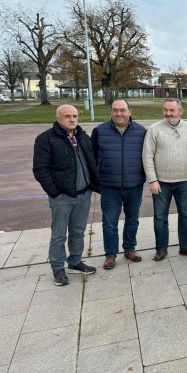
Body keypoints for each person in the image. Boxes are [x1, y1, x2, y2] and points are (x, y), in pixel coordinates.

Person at [33, 104, 100, 286]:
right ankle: (57, 267)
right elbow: (40, 170)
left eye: (75, 116)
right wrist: (55, 192)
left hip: (83, 194)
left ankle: (75, 261)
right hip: (62, 197)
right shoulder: (45, 139)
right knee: (59, 234)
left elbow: (91, 162)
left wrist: (93, 185)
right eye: (67, 116)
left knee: (78, 231)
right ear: (58, 118)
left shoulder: (82, 137)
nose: (72, 119)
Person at [91, 99, 147, 269]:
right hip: (109, 186)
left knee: (132, 219)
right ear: (110, 112)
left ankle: (129, 249)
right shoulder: (99, 131)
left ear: (129, 111)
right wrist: (97, 181)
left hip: (134, 184)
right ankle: (110, 254)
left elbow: (146, 156)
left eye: (122, 110)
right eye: (115, 110)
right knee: (109, 221)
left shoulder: (141, 131)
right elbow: (92, 158)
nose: (119, 113)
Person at [142, 99, 187, 261]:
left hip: (185, 180)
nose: (168, 113)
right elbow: (147, 156)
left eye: (172, 110)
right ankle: (161, 249)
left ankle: (186, 247)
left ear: (180, 111)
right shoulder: (154, 129)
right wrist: (152, 180)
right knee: (160, 217)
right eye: (165, 110)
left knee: (186, 215)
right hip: (161, 183)